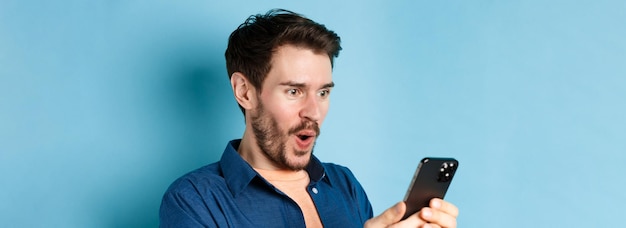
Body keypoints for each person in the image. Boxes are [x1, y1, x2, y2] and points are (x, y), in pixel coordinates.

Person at [159, 9, 458, 228]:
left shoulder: (344, 185)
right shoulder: (194, 200)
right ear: (245, 92)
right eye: (294, 91)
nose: (314, 112)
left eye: (324, 93)